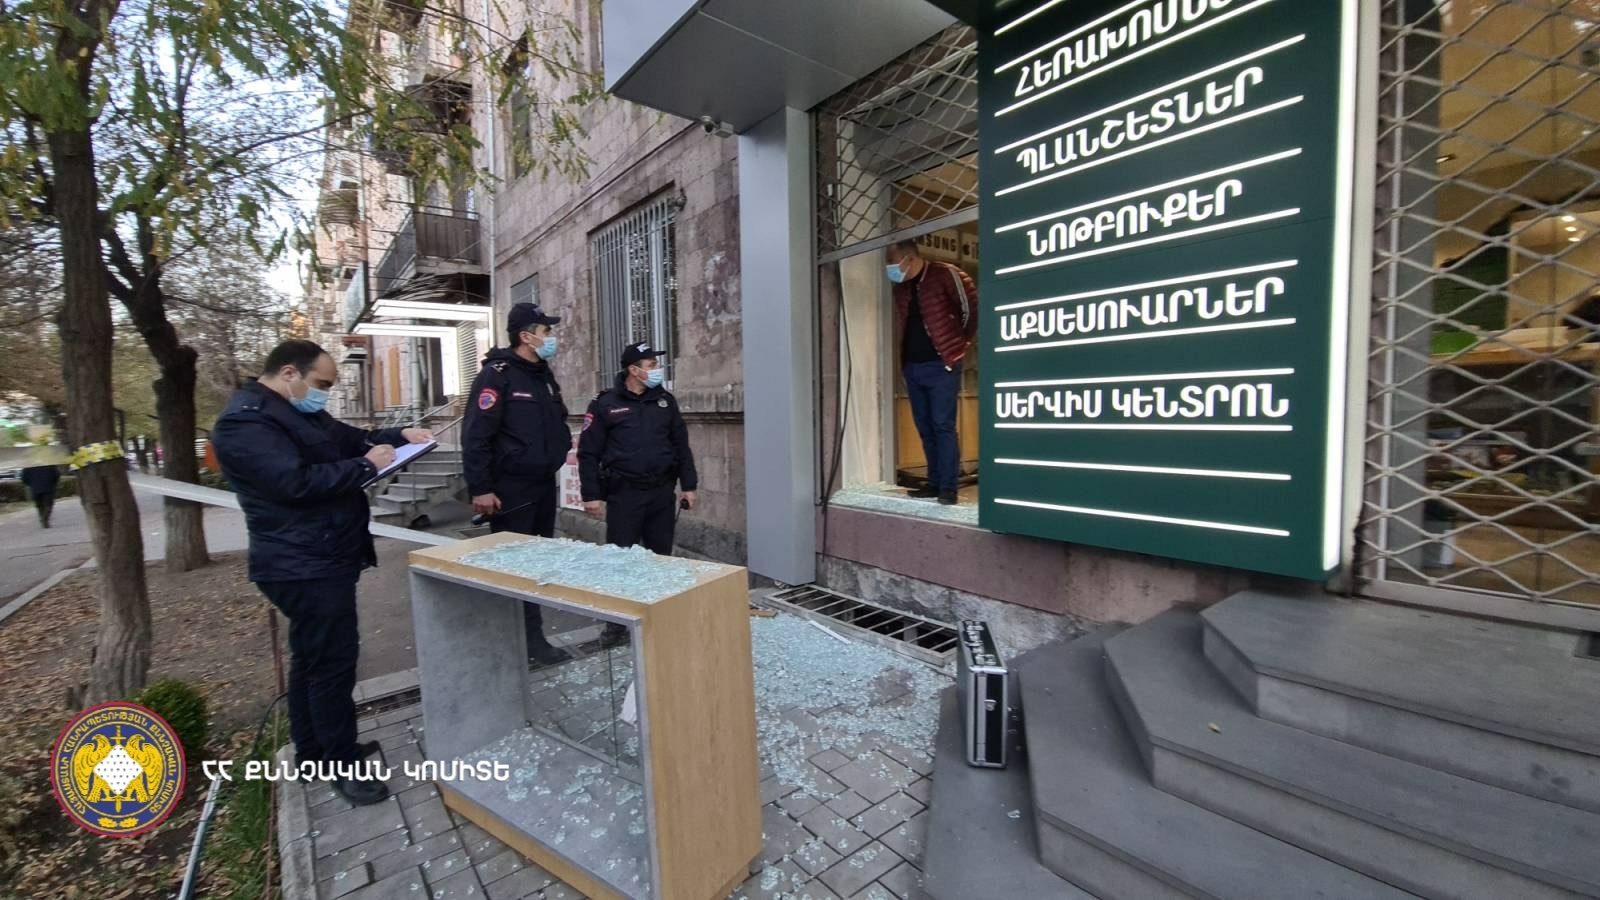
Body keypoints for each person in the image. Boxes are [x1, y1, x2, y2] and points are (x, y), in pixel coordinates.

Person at [212, 339, 431, 806]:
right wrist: (363, 466)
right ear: (290, 373)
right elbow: (294, 483)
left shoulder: (295, 412)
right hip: (301, 564)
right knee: (332, 664)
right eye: (322, 384)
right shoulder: (246, 423)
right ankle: (341, 762)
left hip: (320, 555)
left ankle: (311, 752)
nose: (325, 394)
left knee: (311, 659)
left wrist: (399, 435)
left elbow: (350, 438)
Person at [462, 302, 575, 666]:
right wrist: (481, 488)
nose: (552, 337)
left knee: (537, 564)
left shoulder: (542, 374)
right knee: (515, 567)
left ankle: (531, 641)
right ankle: (518, 645)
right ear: (526, 337)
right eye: (546, 331)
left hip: (542, 484)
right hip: (511, 490)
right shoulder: (497, 375)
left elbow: (555, 421)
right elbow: (476, 435)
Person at [578, 342, 698, 646]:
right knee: (621, 561)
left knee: (661, 559)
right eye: (651, 365)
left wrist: (689, 485)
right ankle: (617, 626)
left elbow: (681, 446)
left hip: (661, 493)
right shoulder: (605, 404)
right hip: (625, 494)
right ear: (634, 370)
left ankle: (660, 620)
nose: (657, 369)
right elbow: (588, 453)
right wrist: (591, 494)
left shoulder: (665, 402)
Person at [886, 239, 977, 505]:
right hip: (913, 367)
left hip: (941, 365)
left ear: (909, 259)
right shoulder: (901, 288)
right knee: (925, 427)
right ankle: (934, 483)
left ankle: (948, 488)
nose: (890, 269)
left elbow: (970, 312)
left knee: (942, 425)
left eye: (892, 263)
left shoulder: (946, 274)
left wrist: (956, 348)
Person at [20, 463, 61, 528]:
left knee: (39, 505)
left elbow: (23, 477)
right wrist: (53, 483)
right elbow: (56, 474)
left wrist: (31, 484)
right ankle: (45, 518)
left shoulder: (28, 465)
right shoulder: (49, 463)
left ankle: (42, 517)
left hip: (35, 488)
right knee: (48, 504)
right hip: (48, 486)